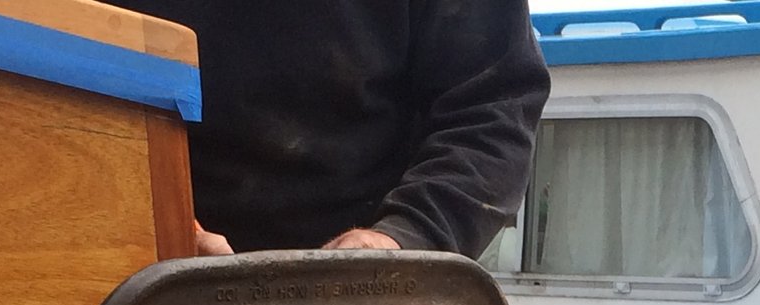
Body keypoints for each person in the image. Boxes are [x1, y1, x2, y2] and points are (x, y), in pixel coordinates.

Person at [121, 0, 551, 259]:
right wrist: (173, 228)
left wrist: (406, 238)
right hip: (147, 281)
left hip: (375, 292)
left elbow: (492, 107)